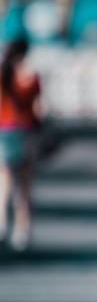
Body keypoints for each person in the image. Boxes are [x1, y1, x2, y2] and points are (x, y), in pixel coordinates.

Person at [0, 38, 41, 251]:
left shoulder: (3, 74)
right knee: (25, 185)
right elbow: (38, 107)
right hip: (26, 130)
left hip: (5, 129)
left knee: (5, 181)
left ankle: (3, 221)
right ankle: (22, 229)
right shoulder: (31, 76)